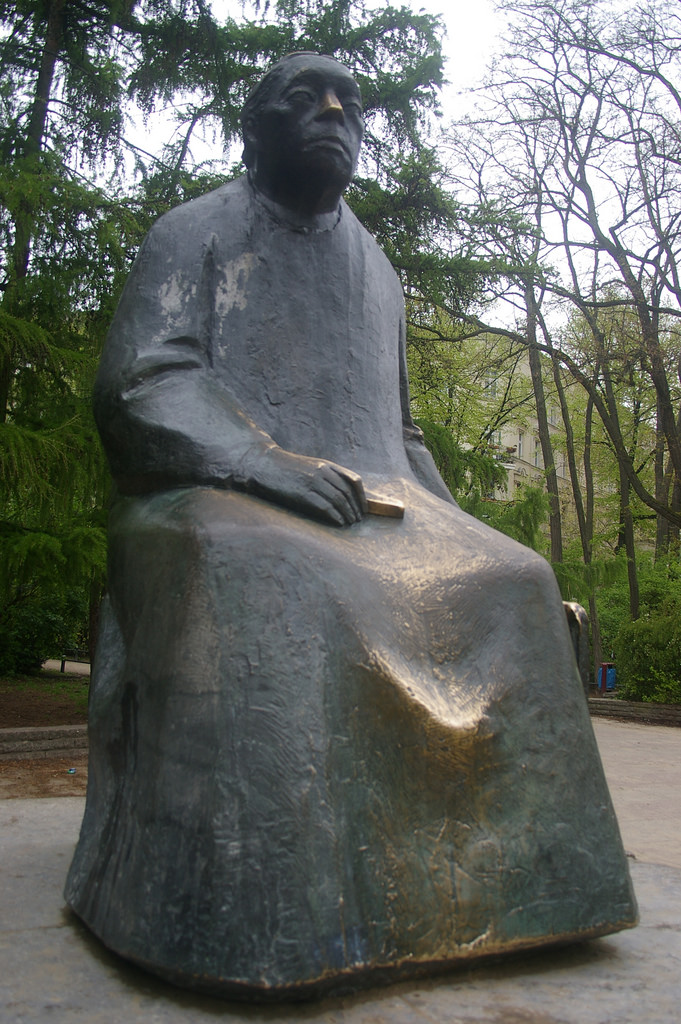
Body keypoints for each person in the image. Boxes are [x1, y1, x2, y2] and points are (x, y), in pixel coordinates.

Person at [66, 53, 636, 999]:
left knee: (517, 578)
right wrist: (265, 465)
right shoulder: (194, 232)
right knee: (269, 571)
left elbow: (398, 435)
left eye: (350, 103)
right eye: (306, 98)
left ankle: (528, 890)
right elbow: (143, 384)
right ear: (255, 129)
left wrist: (454, 526)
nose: (334, 111)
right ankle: (274, 916)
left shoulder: (374, 268)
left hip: (371, 500)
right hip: (203, 491)